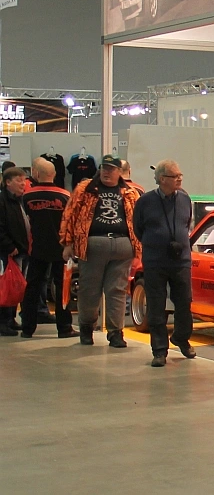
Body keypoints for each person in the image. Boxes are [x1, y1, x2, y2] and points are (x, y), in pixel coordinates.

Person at [60, 154, 141, 348]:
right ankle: (87, 328)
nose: (107, 172)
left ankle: (115, 332)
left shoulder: (130, 193)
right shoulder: (85, 189)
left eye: (111, 169)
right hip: (93, 244)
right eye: (104, 168)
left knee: (117, 291)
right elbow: (70, 214)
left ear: (119, 172)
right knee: (89, 290)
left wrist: (138, 250)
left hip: (122, 246)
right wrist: (67, 243)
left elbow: (138, 222)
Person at [134, 159, 195, 367]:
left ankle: (181, 338)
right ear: (162, 179)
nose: (179, 179)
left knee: (184, 302)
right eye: (175, 176)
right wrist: (155, 243)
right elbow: (138, 229)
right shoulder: (145, 202)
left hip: (181, 260)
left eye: (180, 175)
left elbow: (186, 224)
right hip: (155, 261)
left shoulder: (185, 199)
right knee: (156, 305)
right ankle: (159, 350)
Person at [20, 159, 78, 338]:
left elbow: (23, 224)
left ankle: (27, 328)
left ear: (36, 174)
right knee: (62, 288)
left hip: (36, 248)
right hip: (61, 249)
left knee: (32, 288)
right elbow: (72, 223)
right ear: (54, 174)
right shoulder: (65, 196)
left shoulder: (26, 197)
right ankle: (64, 327)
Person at [0, 167, 29, 336]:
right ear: (8, 182)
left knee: (15, 286)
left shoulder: (19, 201)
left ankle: (10, 318)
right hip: (7, 252)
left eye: (24, 180)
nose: (23, 184)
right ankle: (3, 321)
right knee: (5, 286)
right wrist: (9, 246)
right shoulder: (3, 201)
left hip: (20, 252)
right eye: (19, 180)